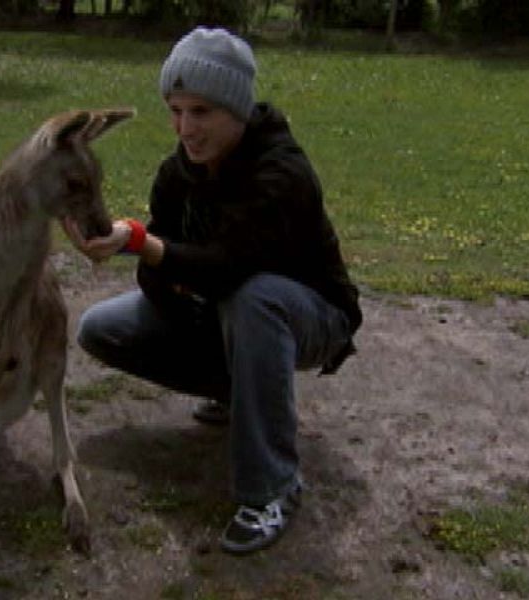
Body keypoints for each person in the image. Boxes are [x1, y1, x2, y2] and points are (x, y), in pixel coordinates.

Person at [62, 26, 362, 555]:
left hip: (313, 314)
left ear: (237, 110)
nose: (184, 128)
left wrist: (142, 243)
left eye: (200, 112)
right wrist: (145, 255)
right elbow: (157, 282)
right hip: (227, 308)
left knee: (255, 298)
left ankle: (273, 486)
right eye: (175, 111)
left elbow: (228, 268)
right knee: (99, 328)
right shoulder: (179, 175)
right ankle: (238, 391)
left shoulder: (282, 174)